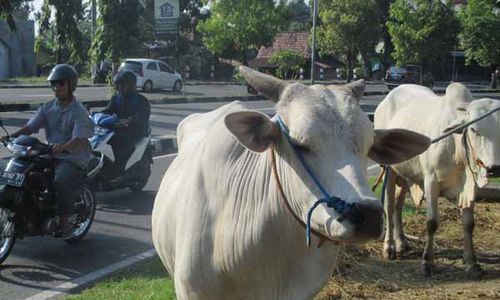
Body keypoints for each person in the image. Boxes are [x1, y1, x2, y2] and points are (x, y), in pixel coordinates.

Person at [2, 64, 94, 236]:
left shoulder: (79, 111)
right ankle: (30, 214)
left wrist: (63, 147)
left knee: (61, 180)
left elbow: (79, 139)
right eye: (53, 84)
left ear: (71, 84)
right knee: (25, 174)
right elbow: (30, 127)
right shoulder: (48, 107)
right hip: (50, 152)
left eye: (60, 83)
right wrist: (11, 136)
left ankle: (65, 223)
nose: (56, 87)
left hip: (72, 157)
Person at [101, 69, 150, 179]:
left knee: (115, 139)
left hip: (136, 130)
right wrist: (94, 115)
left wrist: (130, 120)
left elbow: (141, 117)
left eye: (123, 84)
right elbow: (108, 110)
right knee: (102, 138)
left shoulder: (141, 100)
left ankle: (119, 170)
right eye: (118, 84)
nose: (120, 87)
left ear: (131, 85)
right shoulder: (117, 98)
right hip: (119, 127)